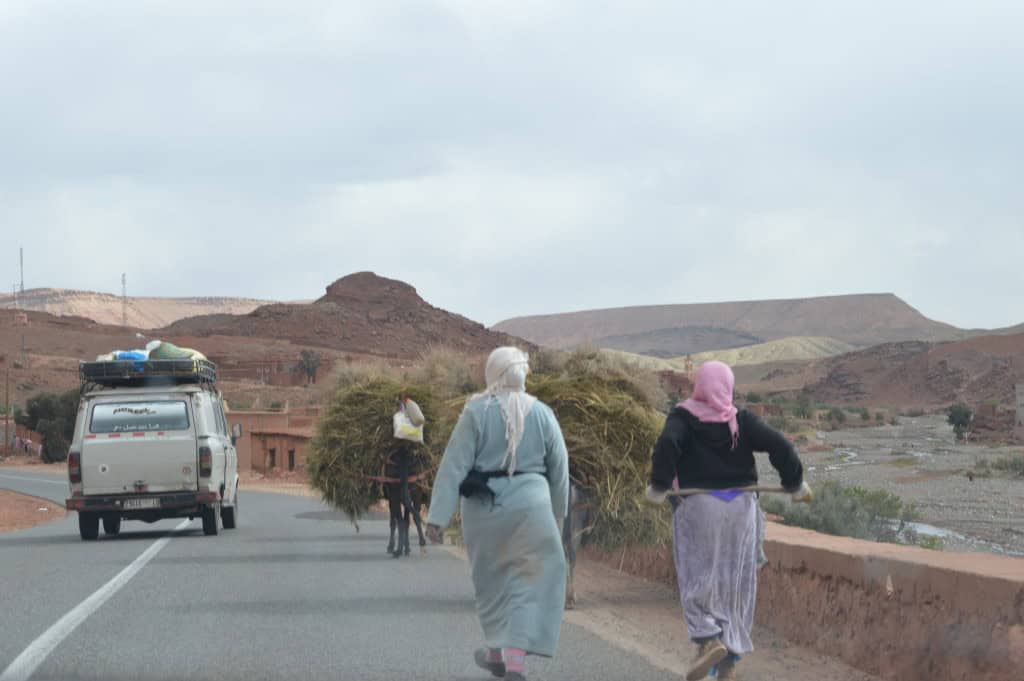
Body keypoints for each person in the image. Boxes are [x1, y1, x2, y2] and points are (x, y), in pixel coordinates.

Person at [645, 361, 811, 681]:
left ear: (700, 386)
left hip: (700, 508)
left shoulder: (683, 417)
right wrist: (794, 482)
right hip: (741, 510)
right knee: (736, 582)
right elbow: (780, 445)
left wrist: (659, 485)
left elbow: (667, 445)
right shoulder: (741, 419)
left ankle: (708, 640)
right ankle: (730, 658)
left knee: (698, 575)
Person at [426, 347, 569, 681]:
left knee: (491, 582)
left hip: (485, 510)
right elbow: (559, 466)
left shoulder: (475, 412)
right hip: (533, 508)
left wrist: (437, 518)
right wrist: (559, 513)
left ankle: (495, 650)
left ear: (493, 372)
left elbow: (453, 466)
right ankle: (513, 659)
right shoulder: (543, 413)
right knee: (527, 581)